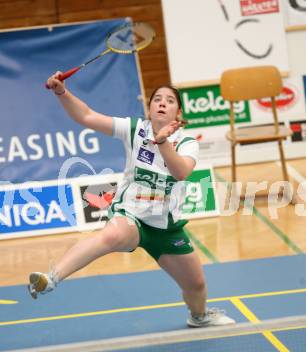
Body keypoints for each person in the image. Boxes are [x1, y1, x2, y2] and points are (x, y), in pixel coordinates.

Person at [28, 72, 235, 328]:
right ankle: (51, 278)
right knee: (112, 236)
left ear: (178, 113)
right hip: (131, 215)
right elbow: (87, 116)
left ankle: (199, 316)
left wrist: (162, 143)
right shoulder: (136, 129)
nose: (161, 103)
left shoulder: (187, 142)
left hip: (166, 227)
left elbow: (181, 171)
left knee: (196, 285)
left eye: (169, 100)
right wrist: (61, 91)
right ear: (149, 108)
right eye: (157, 99)